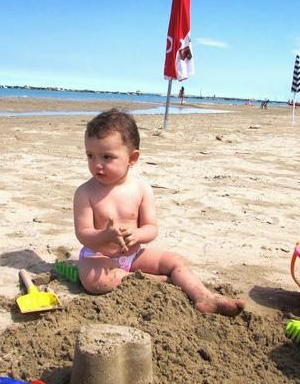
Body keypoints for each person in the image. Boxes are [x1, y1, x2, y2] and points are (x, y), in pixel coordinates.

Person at [73, 108, 246, 317]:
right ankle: (151, 280)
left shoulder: (142, 189)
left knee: (176, 262)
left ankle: (204, 296)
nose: (96, 165)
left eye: (107, 157)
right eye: (90, 156)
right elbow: (83, 234)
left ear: (132, 158)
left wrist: (137, 234)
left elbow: (151, 228)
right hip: (98, 255)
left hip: (134, 255)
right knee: (95, 281)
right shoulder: (85, 192)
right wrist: (105, 236)